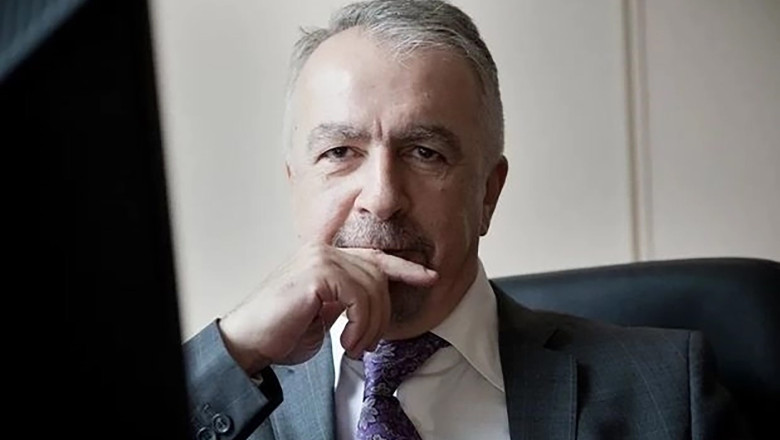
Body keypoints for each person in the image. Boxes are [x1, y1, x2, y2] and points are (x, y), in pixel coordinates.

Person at [183, 1, 747, 439]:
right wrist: (234, 351)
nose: (381, 198)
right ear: (295, 187)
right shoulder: (226, 388)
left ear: (488, 195)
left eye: (424, 152)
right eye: (340, 152)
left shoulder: (665, 393)